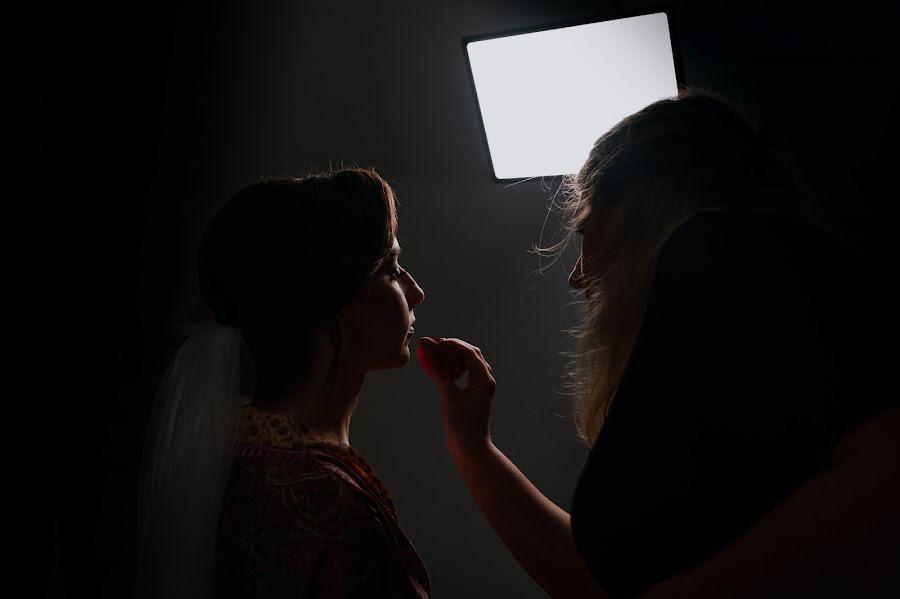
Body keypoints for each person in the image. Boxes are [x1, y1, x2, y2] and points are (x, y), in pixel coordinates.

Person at [418, 87, 900, 597]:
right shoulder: (724, 359)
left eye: (585, 229)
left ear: (642, 207)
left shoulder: (719, 245)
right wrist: (472, 447)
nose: (577, 276)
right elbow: (601, 586)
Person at [137, 168, 430, 598]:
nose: (416, 291)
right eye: (392, 268)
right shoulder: (335, 504)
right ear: (337, 299)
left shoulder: (226, 458)